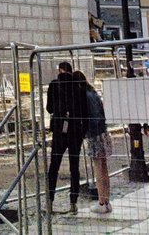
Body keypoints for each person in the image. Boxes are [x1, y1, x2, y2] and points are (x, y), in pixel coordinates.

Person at [47, 61, 89, 215]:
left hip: (59, 129)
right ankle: (73, 202)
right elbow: (84, 111)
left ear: (60, 70)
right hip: (75, 130)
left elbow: (49, 108)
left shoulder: (54, 85)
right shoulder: (78, 86)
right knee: (74, 167)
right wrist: (83, 131)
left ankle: (50, 201)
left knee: (54, 166)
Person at [83, 77, 112, 214]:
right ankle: (107, 200)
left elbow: (91, 117)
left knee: (98, 168)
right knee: (104, 168)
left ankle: (101, 201)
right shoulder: (93, 93)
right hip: (103, 132)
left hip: (94, 134)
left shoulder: (85, 96)